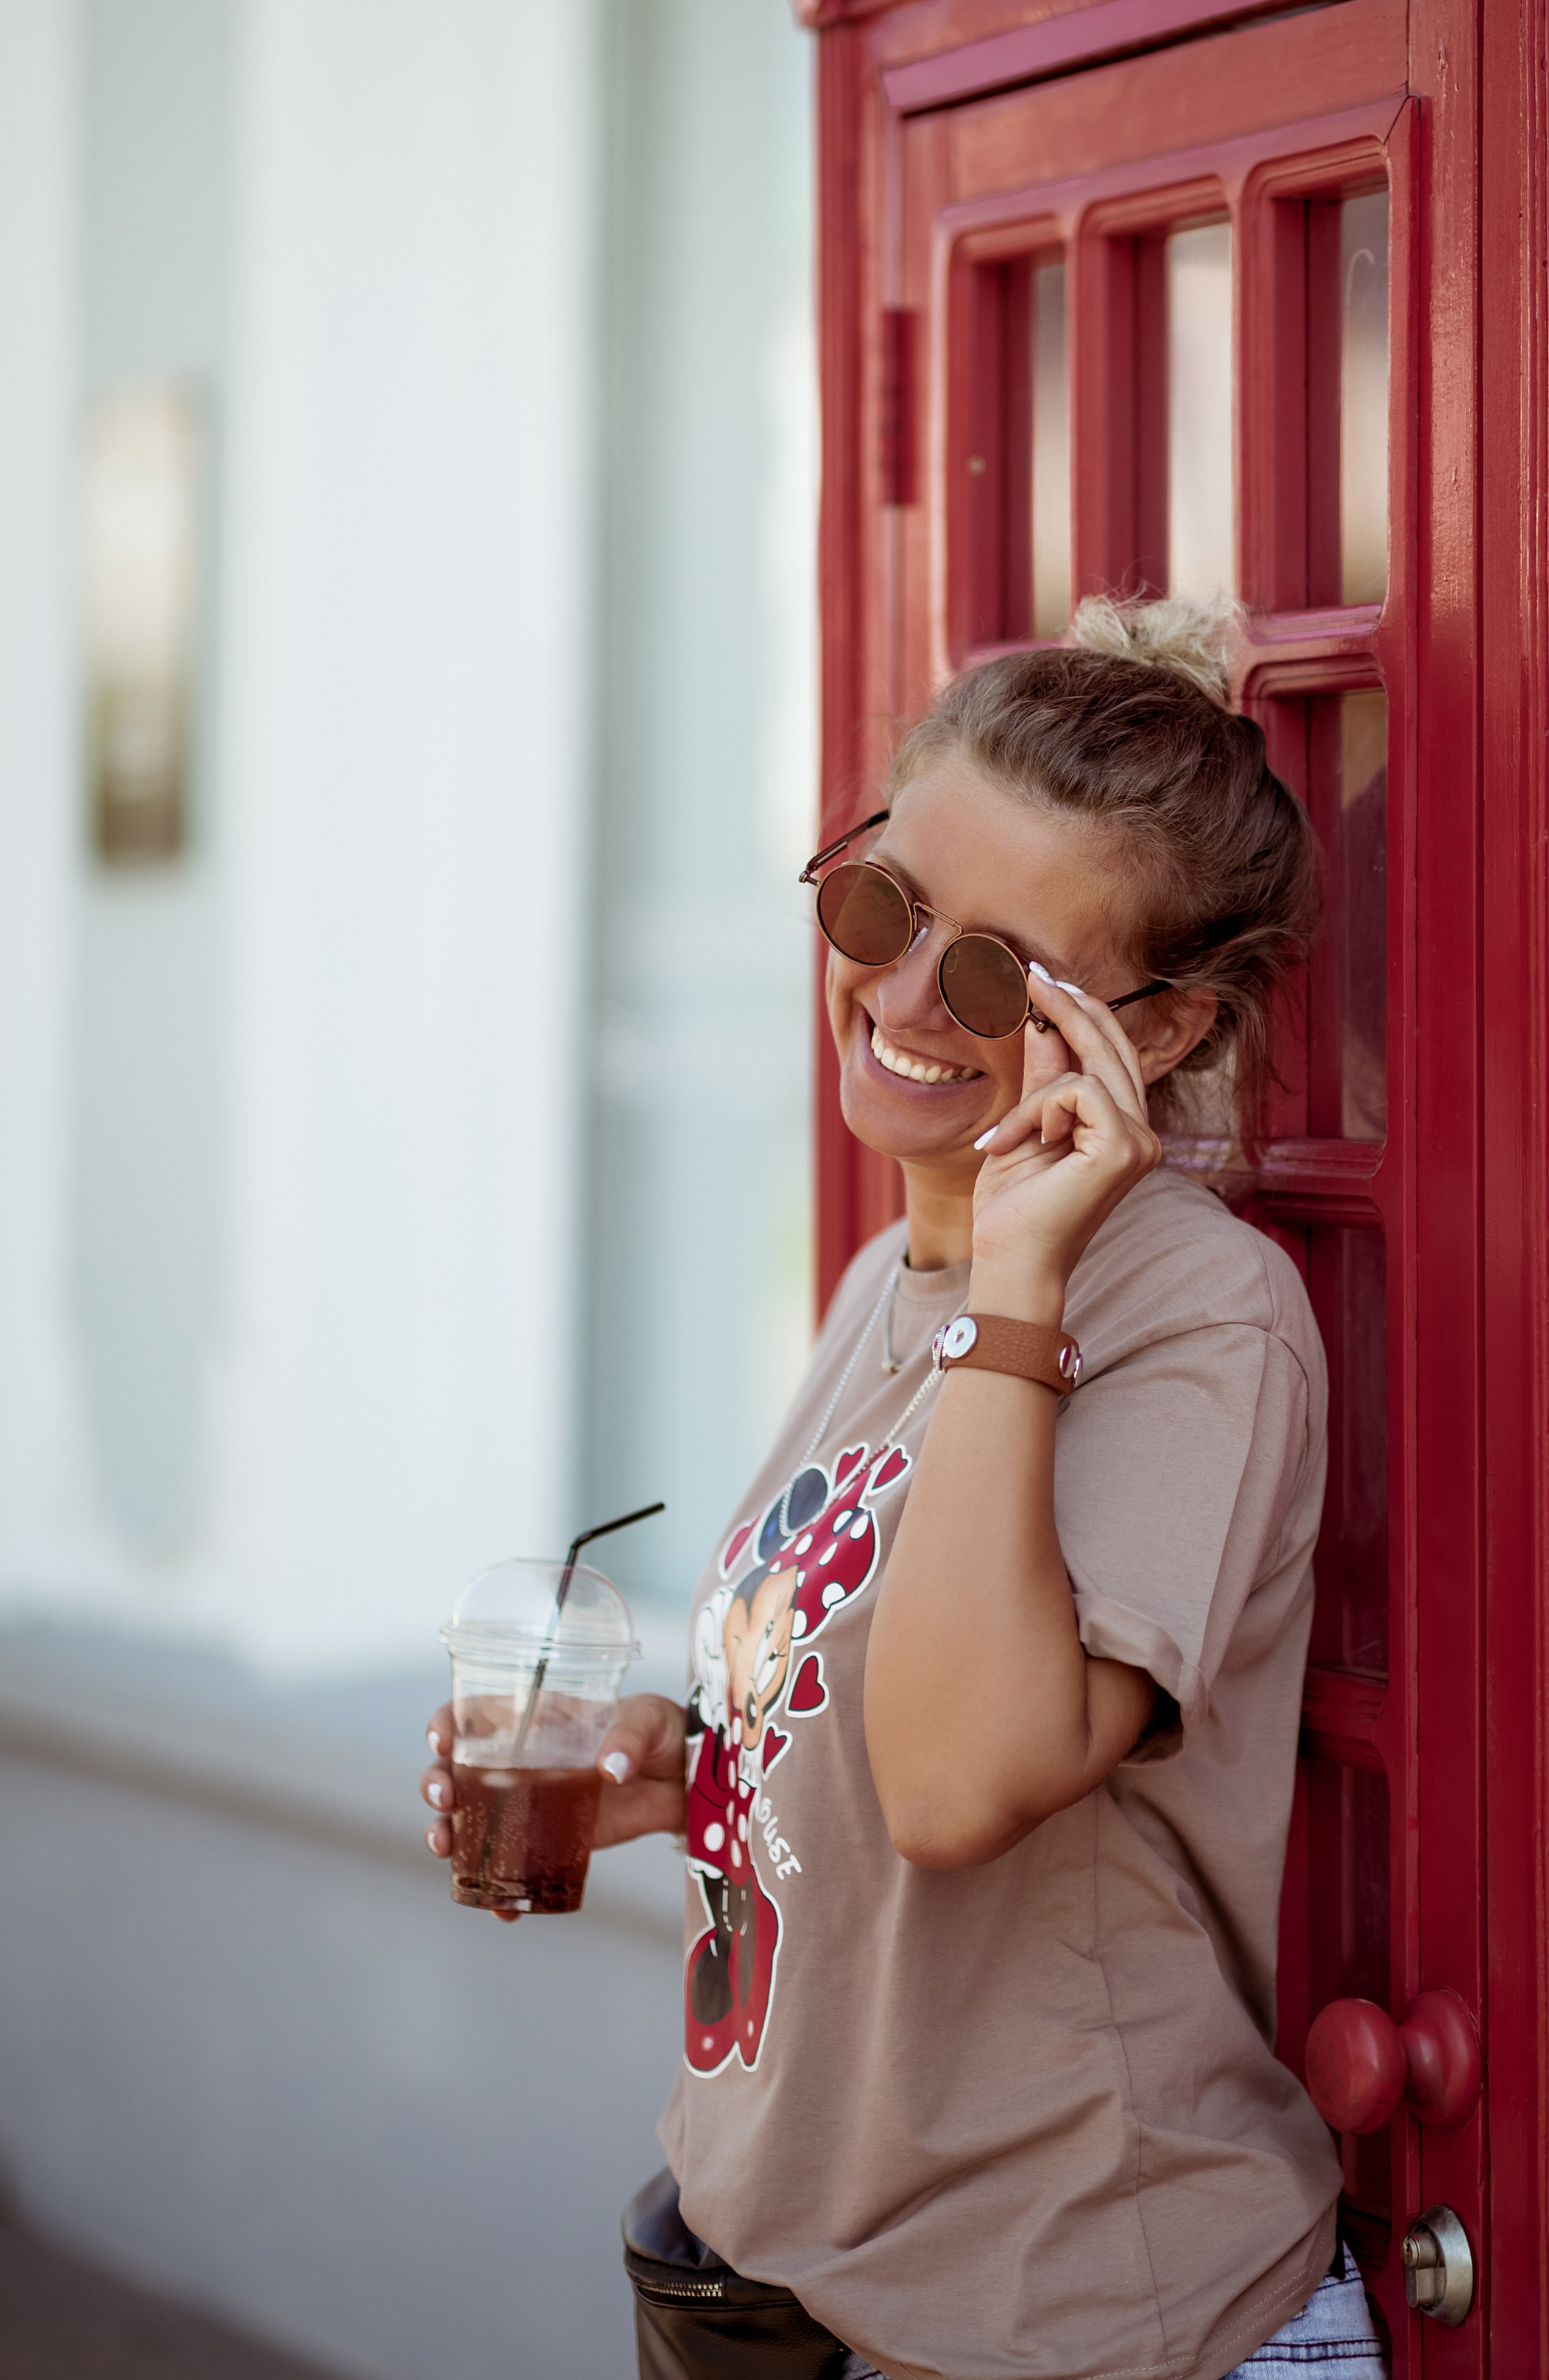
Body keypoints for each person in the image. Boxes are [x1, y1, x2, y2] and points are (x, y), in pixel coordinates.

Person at [423, 594, 1385, 2380]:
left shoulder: (1192, 1312)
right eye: (885, 907)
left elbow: (955, 1786)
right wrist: (685, 1760)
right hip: (800, 2295)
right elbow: (884, 1707)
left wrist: (1019, 1286)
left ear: (1156, 1037)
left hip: (1088, 2319)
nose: (894, 994)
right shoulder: (887, 1281)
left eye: (994, 976)